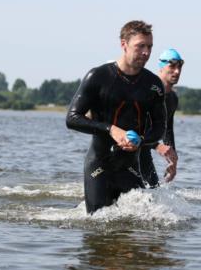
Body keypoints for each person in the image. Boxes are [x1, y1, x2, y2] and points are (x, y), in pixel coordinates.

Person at [66, 20, 166, 214]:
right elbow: (72, 118)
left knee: (141, 227)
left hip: (129, 167)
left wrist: (142, 140)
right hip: (99, 165)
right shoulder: (98, 76)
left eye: (150, 47)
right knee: (98, 228)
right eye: (140, 46)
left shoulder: (153, 85)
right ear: (124, 44)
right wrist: (111, 129)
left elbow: (159, 127)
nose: (146, 52)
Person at [139, 48, 183, 186]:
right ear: (161, 67)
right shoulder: (148, 91)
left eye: (179, 67)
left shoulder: (172, 99)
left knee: (153, 192)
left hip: (144, 151)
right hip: (127, 150)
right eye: (172, 66)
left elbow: (167, 130)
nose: (177, 71)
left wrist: (173, 160)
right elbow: (135, 127)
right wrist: (157, 146)